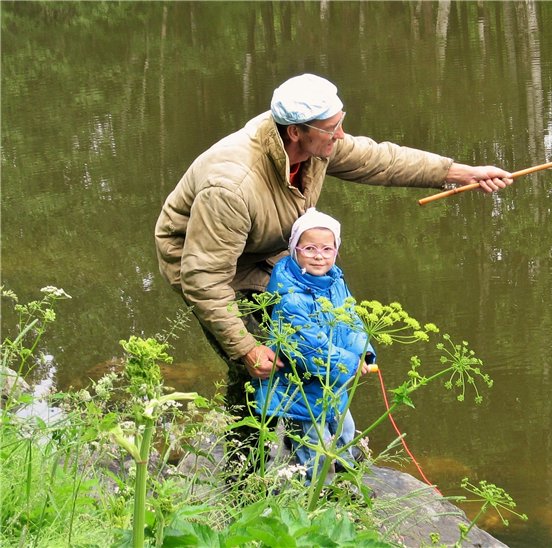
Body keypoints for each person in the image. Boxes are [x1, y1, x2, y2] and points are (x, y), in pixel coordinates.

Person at [154, 73, 512, 414]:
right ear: (296, 132)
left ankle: (313, 443)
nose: (340, 135)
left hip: (267, 247)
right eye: (332, 128)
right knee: (256, 368)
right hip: (207, 265)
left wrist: (462, 173)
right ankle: (245, 465)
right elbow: (204, 280)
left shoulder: (315, 141)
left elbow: (381, 160)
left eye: (341, 123)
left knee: (315, 336)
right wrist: (246, 349)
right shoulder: (230, 187)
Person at [252, 208, 374, 483]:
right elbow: (308, 349)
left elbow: (352, 321)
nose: (319, 256)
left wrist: (363, 353)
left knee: (346, 432)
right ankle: (319, 497)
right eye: (309, 248)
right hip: (301, 388)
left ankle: (345, 480)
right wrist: (349, 364)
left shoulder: (335, 282)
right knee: (314, 447)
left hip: (334, 381)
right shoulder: (289, 295)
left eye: (327, 249)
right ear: (294, 250)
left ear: (336, 251)